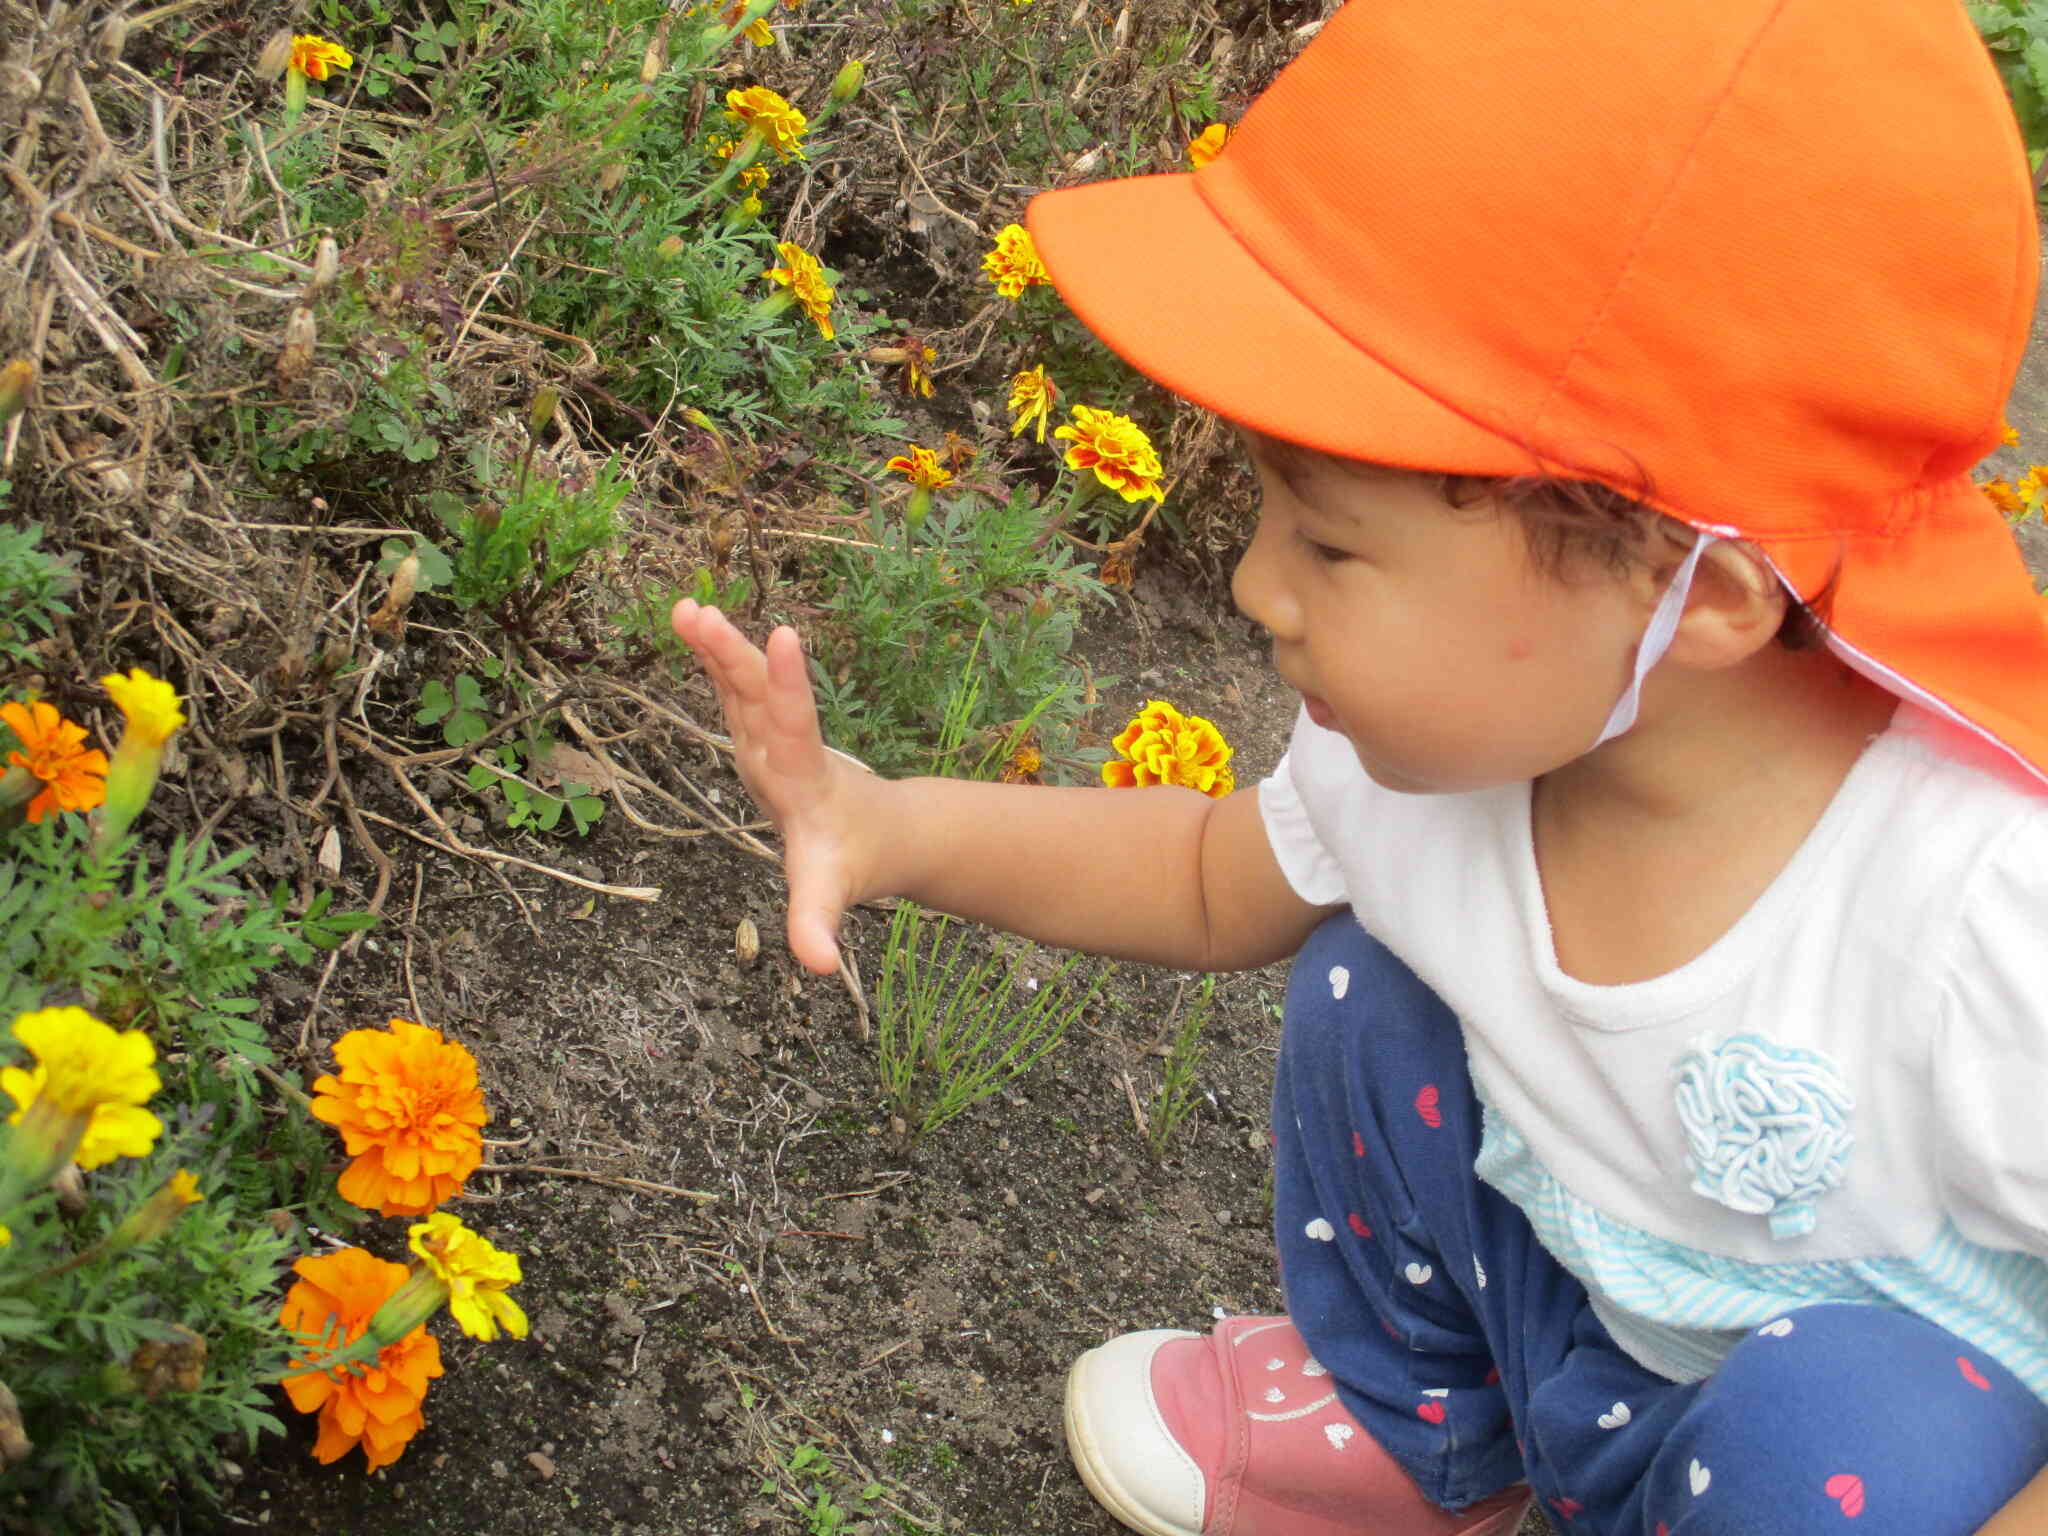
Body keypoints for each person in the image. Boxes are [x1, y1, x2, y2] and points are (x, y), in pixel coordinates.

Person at [671, 0, 2048, 1530]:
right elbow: (1205, 877)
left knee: (1862, 1422)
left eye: (1328, 539)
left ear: (1699, 597)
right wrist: (879, 822)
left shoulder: (1981, 915)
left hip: (1853, 1475)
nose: (1258, 586)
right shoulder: (1439, 760)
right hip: (1582, 1322)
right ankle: (1432, 1448)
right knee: (1368, 993)